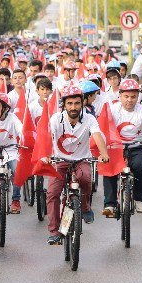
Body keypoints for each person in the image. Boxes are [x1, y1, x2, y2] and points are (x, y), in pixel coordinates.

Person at [45, 85, 109, 245]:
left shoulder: (89, 118)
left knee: (86, 178)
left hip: (82, 160)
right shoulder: (55, 119)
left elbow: (97, 135)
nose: (73, 107)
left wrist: (104, 153)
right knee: (52, 193)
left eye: (76, 103)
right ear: (64, 105)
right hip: (60, 161)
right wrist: (45, 156)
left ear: (82, 104)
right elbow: (46, 137)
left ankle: (85, 207)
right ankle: (55, 232)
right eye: (70, 103)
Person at [102, 78, 142, 215]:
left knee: (140, 165)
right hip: (116, 147)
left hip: (137, 146)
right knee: (109, 167)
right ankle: (110, 204)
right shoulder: (113, 109)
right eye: (126, 96)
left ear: (137, 97)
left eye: (133, 96)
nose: (129, 100)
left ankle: (139, 199)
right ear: (120, 95)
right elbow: (104, 127)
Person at [0, 92, 23, 213]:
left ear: (5, 108)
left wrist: (24, 138)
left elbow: (21, 129)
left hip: (10, 149)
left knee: (17, 171)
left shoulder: (12, 118)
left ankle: (15, 200)